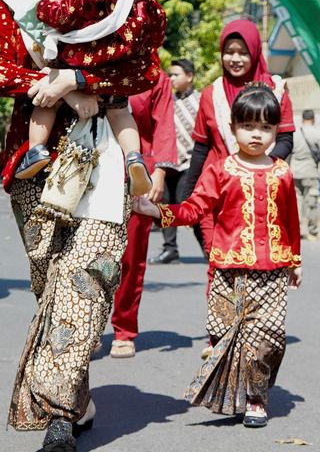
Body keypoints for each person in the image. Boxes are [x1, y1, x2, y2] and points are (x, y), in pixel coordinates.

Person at [0, 0, 150, 452]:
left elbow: (144, 68)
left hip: (102, 156)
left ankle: (54, 412)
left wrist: (80, 79)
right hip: (37, 161)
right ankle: (76, 396)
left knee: (86, 277)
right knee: (50, 281)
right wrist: (47, 85)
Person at [134, 85, 301, 428]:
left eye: (266, 127)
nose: (257, 135)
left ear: (275, 131)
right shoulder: (221, 169)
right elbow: (195, 209)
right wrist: (159, 212)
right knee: (227, 333)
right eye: (248, 126)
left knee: (269, 336)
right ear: (233, 127)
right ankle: (244, 392)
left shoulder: (283, 172)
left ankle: (257, 397)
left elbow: (290, 220)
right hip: (229, 272)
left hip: (272, 270)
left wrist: (295, 262)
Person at [15, 0, 166, 200]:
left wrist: (45, 5)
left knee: (47, 101)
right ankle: (134, 157)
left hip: (75, 61)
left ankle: (36, 150)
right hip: (114, 69)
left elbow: (63, 14)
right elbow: (158, 21)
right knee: (120, 111)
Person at [179, 20, 296, 261]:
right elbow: (201, 147)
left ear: (254, 52)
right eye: (229, 52)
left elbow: (285, 139)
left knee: (258, 261)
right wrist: (188, 194)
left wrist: (260, 166)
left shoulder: (276, 90)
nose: (235, 59)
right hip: (217, 192)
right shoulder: (212, 94)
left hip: (261, 192)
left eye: (243, 53)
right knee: (218, 262)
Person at [109, 69, 177, 358]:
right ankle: (87, 327)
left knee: (131, 259)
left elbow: (164, 126)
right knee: (88, 256)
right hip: (93, 171)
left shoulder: (155, 77)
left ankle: (124, 330)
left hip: (138, 175)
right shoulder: (94, 62)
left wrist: (159, 171)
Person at [152, 58, 201, 264]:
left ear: (189, 76)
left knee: (189, 206)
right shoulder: (168, 101)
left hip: (189, 164)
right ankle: (170, 248)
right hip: (167, 163)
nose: (171, 78)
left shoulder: (200, 101)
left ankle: (208, 247)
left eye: (176, 74)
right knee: (164, 205)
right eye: (170, 74)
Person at [290, 109, 320, 239]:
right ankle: (312, 229)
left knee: (296, 201)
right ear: (313, 119)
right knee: (311, 202)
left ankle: (295, 228)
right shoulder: (317, 133)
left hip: (295, 171)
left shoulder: (295, 134)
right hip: (311, 172)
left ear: (302, 119)